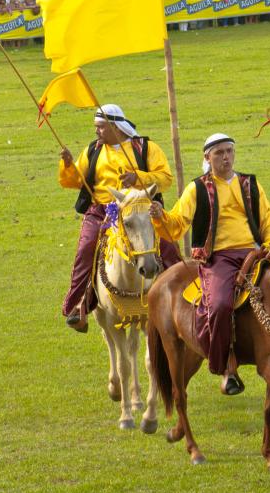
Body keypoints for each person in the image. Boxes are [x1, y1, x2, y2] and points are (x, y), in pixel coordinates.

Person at [149, 134, 270, 396]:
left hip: (254, 252)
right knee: (220, 304)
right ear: (207, 158)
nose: (226, 157)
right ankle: (225, 368)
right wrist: (159, 216)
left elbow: (268, 218)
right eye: (219, 153)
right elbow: (175, 227)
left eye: (230, 151)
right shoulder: (196, 188)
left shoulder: (250, 184)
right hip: (218, 257)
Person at [58, 105, 182, 333]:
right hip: (103, 211)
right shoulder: (93, 150)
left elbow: (165, 179)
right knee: (86, 248)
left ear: (115, 127)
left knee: (167, 246)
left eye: (101, 127)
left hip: (142, 207)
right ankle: (79, 306)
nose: (97, 132)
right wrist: (67, 165)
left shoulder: (146, 148)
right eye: (97, 127)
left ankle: (182, 298)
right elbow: (76, 181)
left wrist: (138, 177)